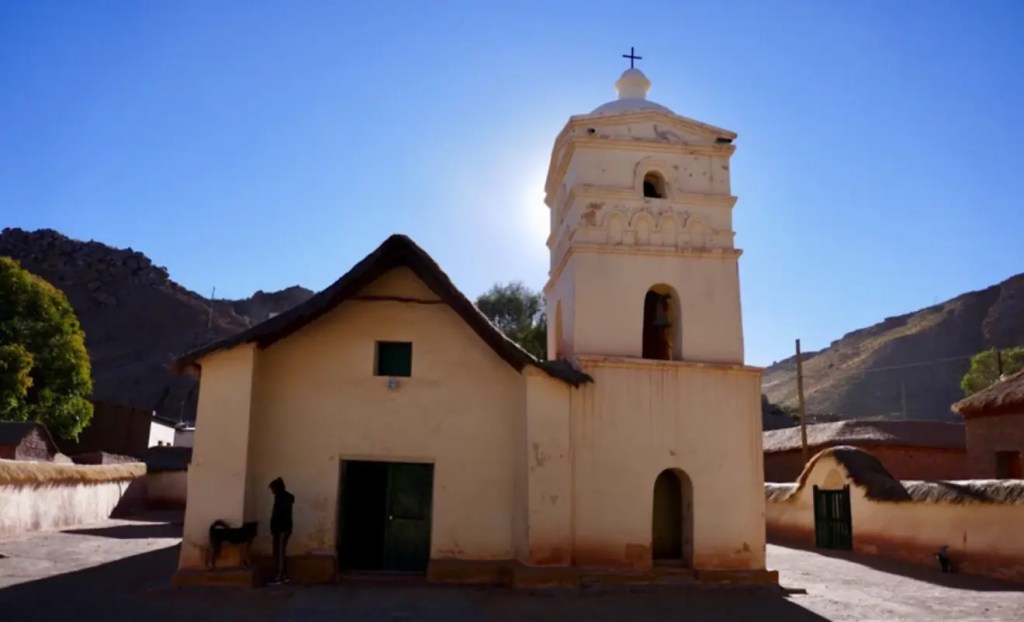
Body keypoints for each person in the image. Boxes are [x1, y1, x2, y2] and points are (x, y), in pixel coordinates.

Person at [267, 477, 294, 585]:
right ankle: (284, 575)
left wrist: (275, 528)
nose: (272, 491)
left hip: (281, 529)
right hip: (284, 528)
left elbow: (278, 515)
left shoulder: (281, 498)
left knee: (279, 553)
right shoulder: (286, 498)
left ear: (277, 488)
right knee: (280, 552)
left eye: (273, 489)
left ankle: (279, 576)